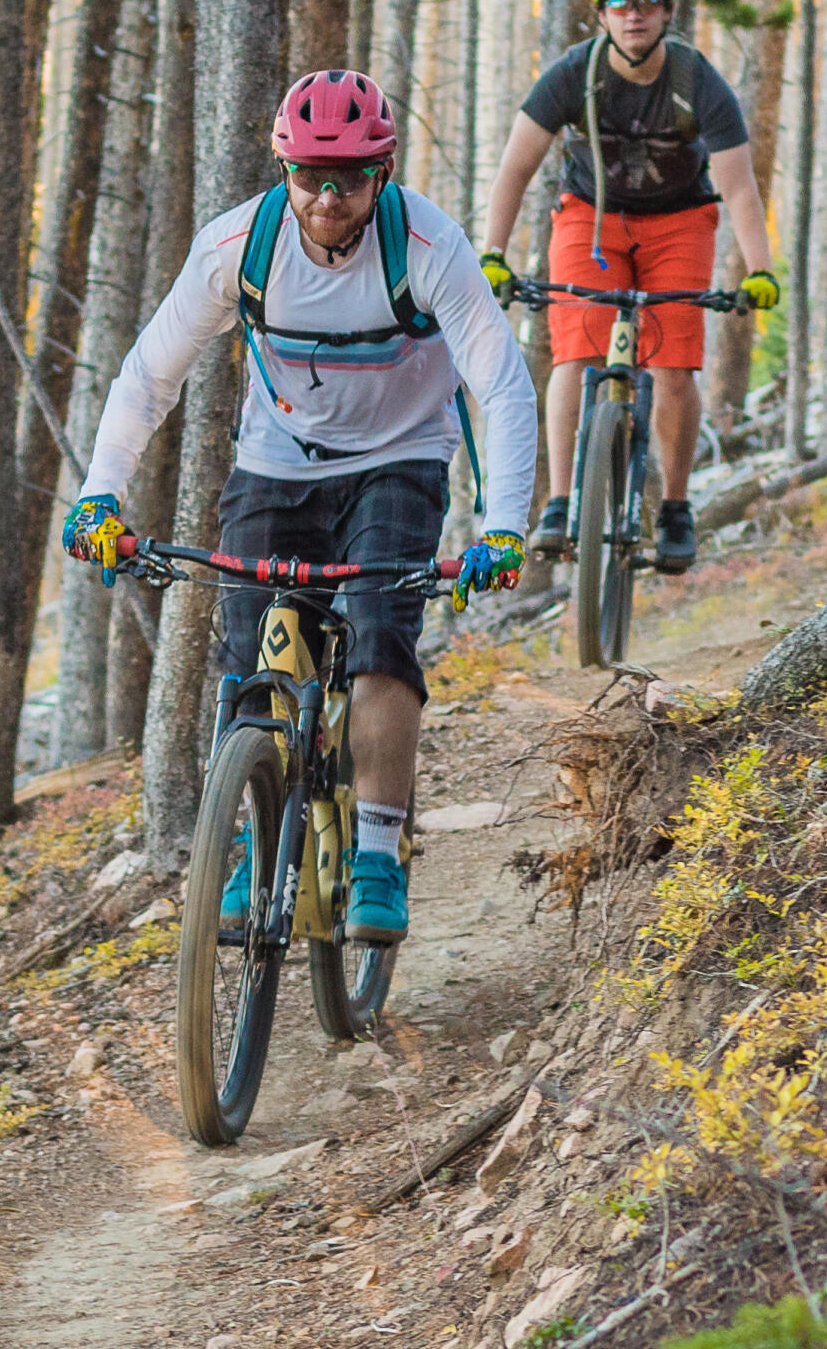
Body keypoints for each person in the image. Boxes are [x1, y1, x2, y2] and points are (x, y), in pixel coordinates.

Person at [59, 70, 535, 944]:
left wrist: (503, 523)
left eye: (348, 177)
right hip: (277, 461)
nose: (326, 195)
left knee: (380, 639)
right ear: (284, 168)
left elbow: (500, 387)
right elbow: (149, 374)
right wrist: (100, 494)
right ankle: (250, 840)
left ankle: (379, 853)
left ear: (381, 174)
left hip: (401, 456)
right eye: (310, 174)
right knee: (248, 663)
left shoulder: (429, 247)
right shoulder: (240, 246)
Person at [478, 0, 780, 575]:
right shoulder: (572, 74)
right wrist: (492, 253)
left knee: (674, 366)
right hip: (591, 219)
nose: (633, 15)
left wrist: (759, 270)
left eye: (646, 3)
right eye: (619, 4)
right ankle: (561, 503)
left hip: (680, 223)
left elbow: (738, 185)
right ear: (602, 13)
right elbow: (516, 167)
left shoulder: (698, 80)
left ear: (668, 11)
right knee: (575, 351)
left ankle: (674, 506)